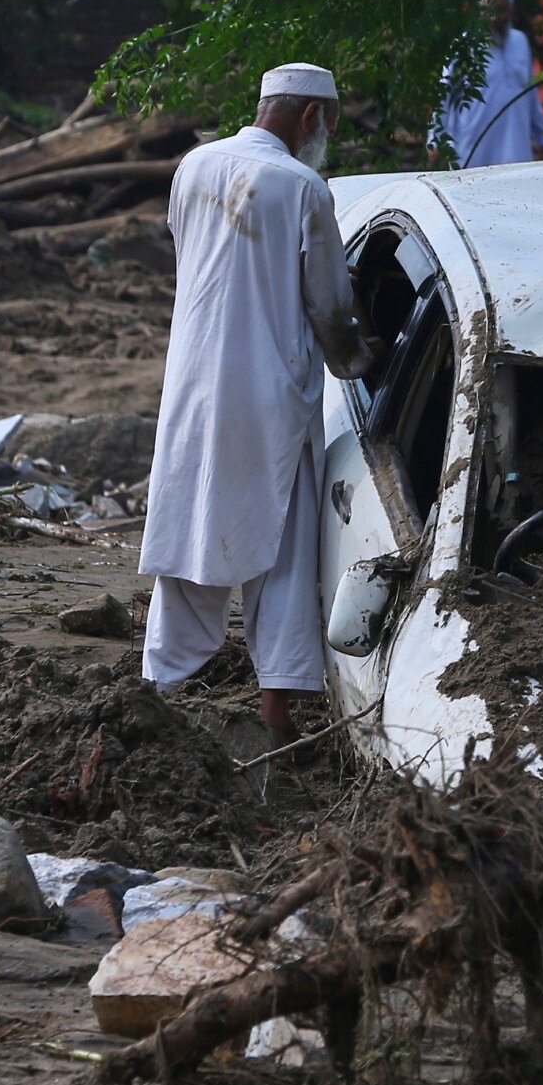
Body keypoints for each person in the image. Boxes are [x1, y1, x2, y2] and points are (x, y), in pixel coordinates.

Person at [139, 62, 381, 740]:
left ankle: (153, 695)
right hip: (269, 394)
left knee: (192, 532)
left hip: (193, 383)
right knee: (281, 547)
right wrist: (361, 362)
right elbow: (331, 308)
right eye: (324, 128)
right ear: (309, 119)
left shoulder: (192, 166)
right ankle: (277, 716)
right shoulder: (303, 186)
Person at [437, 0, 543, 169]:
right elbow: (444, 93)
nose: (495, 17)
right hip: (472, 144)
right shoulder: (464, 46)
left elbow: (531, 93)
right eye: (490, 10)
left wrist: (542, 137)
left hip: (515, 146)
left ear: (511, 11)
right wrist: (436, 138)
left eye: (501, 10)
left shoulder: (520, 42)